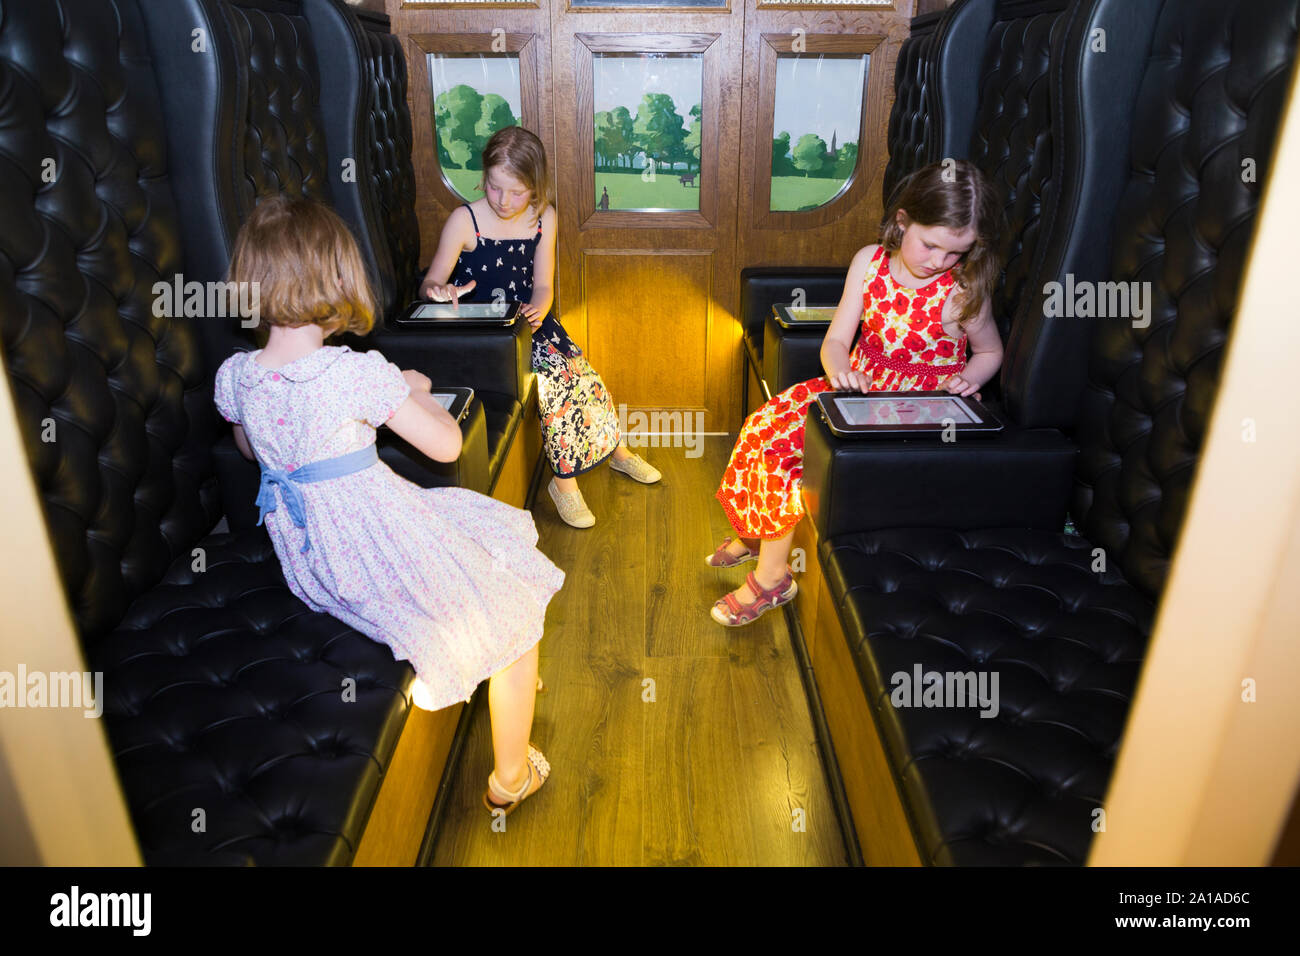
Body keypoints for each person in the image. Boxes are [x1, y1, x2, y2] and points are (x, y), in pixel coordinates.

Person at [213, 194, 562, 816]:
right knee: (516, 609)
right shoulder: (354, 372)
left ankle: (477, 660)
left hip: (313, 557)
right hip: (376, 542)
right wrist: (410, 390)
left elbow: (249, 448)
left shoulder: (238, 376)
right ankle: (512, 775)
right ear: (337, 278)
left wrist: (392, 393)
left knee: (480, 544)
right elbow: (448, 444)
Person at [708, 160, 1006, 626]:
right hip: (856, 388)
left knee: (785, 459)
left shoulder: (962, 291)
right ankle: (756, 533)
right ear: (903, 220)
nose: (938, 262)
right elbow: (835, 341)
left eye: (955, 253)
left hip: (914, 409)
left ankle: (773, 582)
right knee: (760, 426)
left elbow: (990, 351)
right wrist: (840, 367)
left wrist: (974, 376)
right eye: (930, 244)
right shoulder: (869, 262)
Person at [420, 126, 661, 529]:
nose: (504, 200)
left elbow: (544, 283)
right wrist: (439, 291)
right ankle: (564, 484)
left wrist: (539, 308)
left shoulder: (544, 217)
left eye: (517, 192)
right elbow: (429, 284)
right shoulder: (464, 221)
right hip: (489, 337)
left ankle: (615, 451)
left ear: (535, 187)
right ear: (485, 179)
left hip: (531, 322)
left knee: (584, 374)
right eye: (495, 188)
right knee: (554, 383)